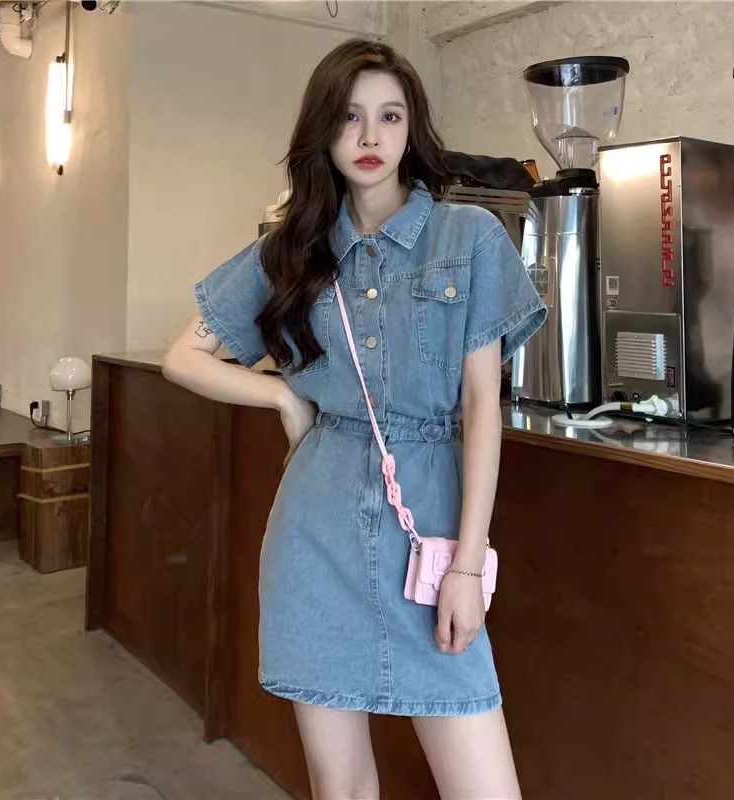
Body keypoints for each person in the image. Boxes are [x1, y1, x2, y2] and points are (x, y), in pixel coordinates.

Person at [162, 37, 546, 800]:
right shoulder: (291, 250)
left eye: (390, 116)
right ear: (323, 131)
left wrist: (468, 566)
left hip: (430, 531)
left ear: (412, 129)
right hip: (317, 529)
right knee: (339, 786)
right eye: (349, 117)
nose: (370, 137)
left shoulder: (467, 238)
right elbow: (183, 357)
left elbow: (481, 407)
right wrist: (282, 396)